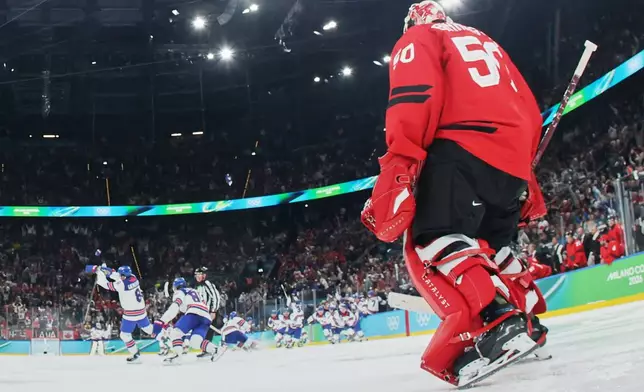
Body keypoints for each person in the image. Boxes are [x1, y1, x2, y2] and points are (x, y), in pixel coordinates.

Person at [360, 1, 548, 387]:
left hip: (461, 148)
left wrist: (401, 164)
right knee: (493, 246)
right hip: (512, 159)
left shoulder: (419, 37)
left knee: (436, 236)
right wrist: (524, 167)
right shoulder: (486, 40)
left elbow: (414, 98)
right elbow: (528, 107)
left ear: (413, 21)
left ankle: (500, 322)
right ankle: (531, 323)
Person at [87, 265, 154, 363]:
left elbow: (105, 284)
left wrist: (99, 273)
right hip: (141, 311)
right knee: (149, 330)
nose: (120, 276)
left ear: (123, 275)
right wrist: (105, 269)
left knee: (125, 335)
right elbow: (116, 275)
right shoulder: (133, 277)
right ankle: (168, 337)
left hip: (131, 314)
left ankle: (135, 353)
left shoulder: (122, 285)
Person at [151, 278, 223, 363]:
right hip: (206, 315)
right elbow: (186, 307)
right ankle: (215, 350)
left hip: (193, 313)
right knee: (195, 342)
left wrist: (162, 320)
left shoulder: (180, 292)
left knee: (175, 332)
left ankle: (177, 356)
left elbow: (175, 308)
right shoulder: (195, 291)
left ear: (175, 287)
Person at [193, 267, 222, 359]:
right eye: (196, 275)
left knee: (208, 330)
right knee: (204, 330)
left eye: (199, 274)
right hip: (202, 313)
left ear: (204, 275)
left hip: (209, 312)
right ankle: (206, 349)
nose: (197, 276)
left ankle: (210, 349)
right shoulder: (198, 286)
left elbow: (216, 296)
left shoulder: (207, 283)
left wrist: (213, 311)